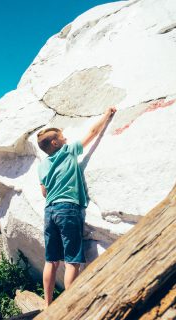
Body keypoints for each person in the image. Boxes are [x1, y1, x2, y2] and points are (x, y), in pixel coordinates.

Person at [37, 107, 116, 306]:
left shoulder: (42, 165)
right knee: (72, 260)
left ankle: (48, 305)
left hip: (50, 210)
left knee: (51, 260)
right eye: (62, 137)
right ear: (55, 142)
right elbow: (92, 133)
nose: (66, 139)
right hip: (68, 208)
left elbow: (43, 192)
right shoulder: (68, 150)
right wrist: (107, 114)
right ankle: (69, 308)